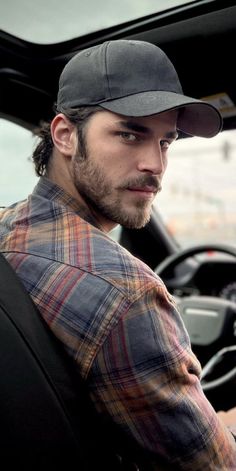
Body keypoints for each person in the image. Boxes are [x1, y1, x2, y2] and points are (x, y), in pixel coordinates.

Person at [0, 39, 236, 469]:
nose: (155, 164)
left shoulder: (5, 228)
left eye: (166, 142)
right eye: (130, 133)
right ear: (65, 135)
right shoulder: (126, 294)